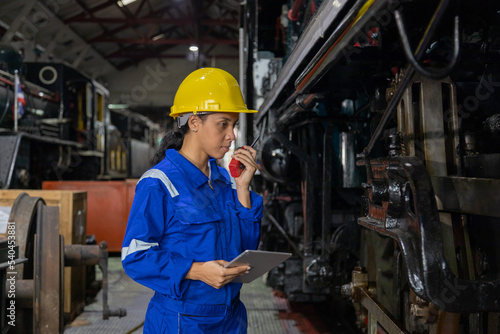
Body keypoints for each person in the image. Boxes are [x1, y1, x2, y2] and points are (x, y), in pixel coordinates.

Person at [121, 67, 263, 333]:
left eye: (234, 125)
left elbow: (245, 250)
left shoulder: (225, 181)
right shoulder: (158, 183)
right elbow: (135, 256)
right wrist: (196, 271)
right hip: (183, 322)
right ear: (194, 123)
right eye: (224, 124)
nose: (232, 135)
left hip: (231, 318)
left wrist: (243, 188)